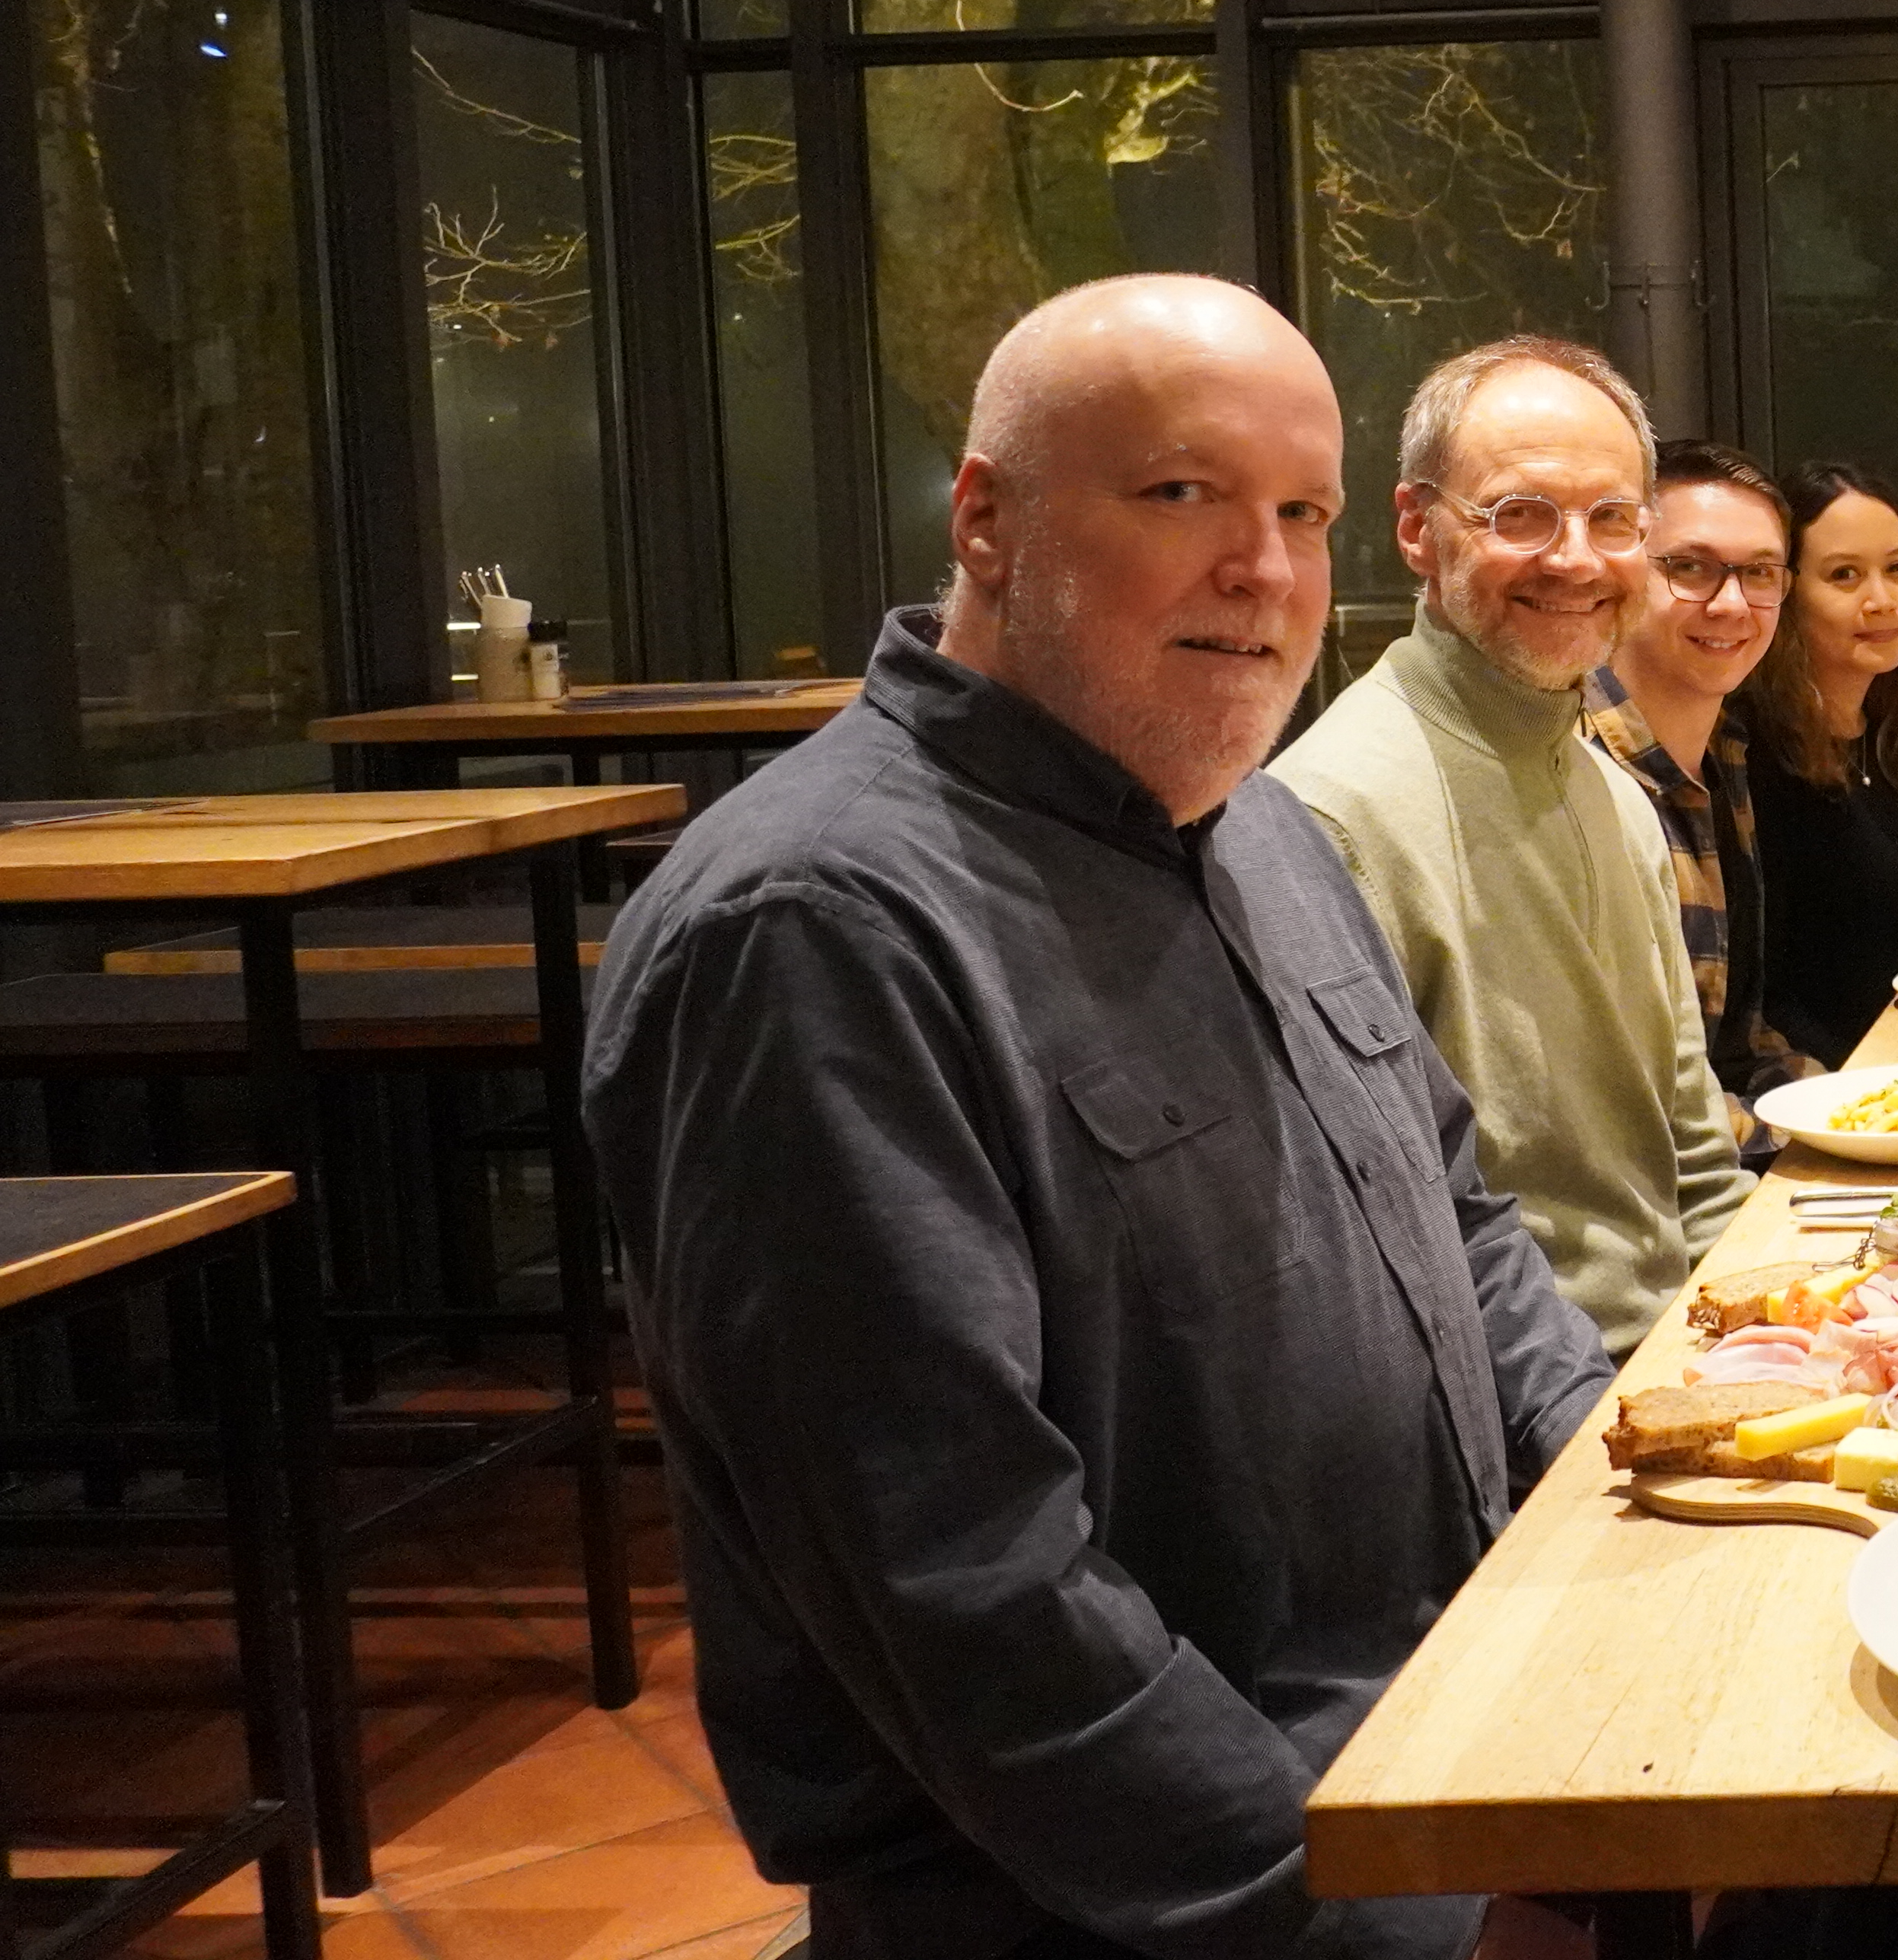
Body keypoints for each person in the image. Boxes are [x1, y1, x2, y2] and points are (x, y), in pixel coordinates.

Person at [584, 275, 1617, 1960]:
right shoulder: (814, 926)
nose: (1265, 571)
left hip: (1450, 1727)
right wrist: (1370, 1913)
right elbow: (968, 1587)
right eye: (1182, 493)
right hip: (1139, 1891)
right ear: (986, 519)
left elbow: (1462, 1214)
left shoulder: (1258, 826)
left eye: (1304, 512)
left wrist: (1637, 1488)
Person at [1272, 336, 1754, 1356]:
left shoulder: (1611, 792)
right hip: (1530, 1420)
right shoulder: (1325, 819)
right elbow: (1379, 1252)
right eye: (1520, 515)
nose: (1577, 560)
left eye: (1613, 519)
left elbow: (1698, 1158)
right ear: (1417, 530)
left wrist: (1769, 1340)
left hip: (1683, 1357)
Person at [1585, 439, 1816, 1134]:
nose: (1732, 603)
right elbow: (1636, 1112)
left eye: (1760, 573)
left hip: (1736, 1163)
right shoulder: (1576, 776)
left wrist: (1877, 1107)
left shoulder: (1724, 754)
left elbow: (1739, 1048)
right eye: (1689, 568)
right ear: (1624, 571)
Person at [1746, 461, 1898, 1067]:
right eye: (1845, 575)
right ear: (1786, 595)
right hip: (1839, 1090)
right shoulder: (1759, 759)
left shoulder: (1883, 732)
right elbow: (1769, 1002)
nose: (1883, 600)